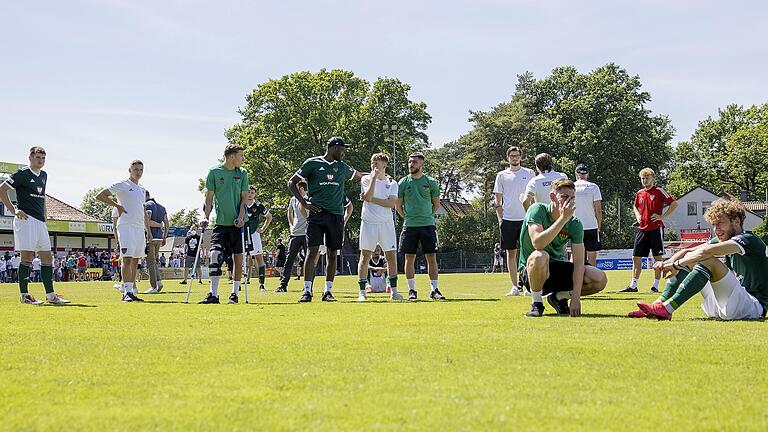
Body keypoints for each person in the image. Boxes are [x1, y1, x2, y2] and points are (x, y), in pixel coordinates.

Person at [629, 199, 767, 320]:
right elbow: (687, 251)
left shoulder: (749, 240)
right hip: (730, 303)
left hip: (752, 306)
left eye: (720, 223)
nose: (716, 229)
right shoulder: (726, 238)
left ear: (736, 221)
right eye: (713, 224)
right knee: (691, 258)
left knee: (706, 259)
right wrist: (668, 264)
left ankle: (667, 309)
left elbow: (706, 252)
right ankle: (657, 305)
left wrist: (676, 265)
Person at [287, 136, 365, 302]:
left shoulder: (342, 167)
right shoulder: (312, 163)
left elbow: (359, 175)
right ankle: (307, 291)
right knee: (312, 251)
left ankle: (328, 292)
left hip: (336, 215)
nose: (344, 152)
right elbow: (291, 183)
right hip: (317, 214)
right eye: (342, 149)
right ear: (334, 148)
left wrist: (378, 175)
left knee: (332, 253)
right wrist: (304, 203)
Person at [518, 178, 608, 317]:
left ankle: (559, 297)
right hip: (533, 271)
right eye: (564, 197)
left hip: (557, 267)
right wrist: (562, 219)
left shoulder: (575, 223)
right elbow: (538, 243)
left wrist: (576, 298)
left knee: (599, 278)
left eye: (572, 198)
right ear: (552, 197)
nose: (569, 201)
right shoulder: (537, 210)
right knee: (540, 256)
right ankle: (537, 303)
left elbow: (578, 264)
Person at [0, 146, 70, 304]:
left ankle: (51, 295)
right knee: (27, 257)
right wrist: (14, 210)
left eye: (43, 158)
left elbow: (42, 196)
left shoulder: (44, 175)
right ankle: (24, 296)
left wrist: (45, 214)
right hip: (26, 220)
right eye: (38, 157)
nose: (41, 160)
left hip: (40, 221)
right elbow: (2, 190)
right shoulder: (22, 174)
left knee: (47, 257)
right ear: (30, 158)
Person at [199, 143, 249, 304]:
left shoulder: (242, 173)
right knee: (214, 254)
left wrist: (241, 217)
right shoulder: (214, 172)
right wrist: (205, 216)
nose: (243, 158)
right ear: (232, 156)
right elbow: (209, 198)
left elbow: (244, 199)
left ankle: (234, 294)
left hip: (238, 224)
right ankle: (213, 294)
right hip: (220, 223)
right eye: (241, 155)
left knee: (237, 258)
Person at [96, 160, 152, 302]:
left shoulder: (142, 189)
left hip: (139, 228)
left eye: (140, 169)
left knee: (135, 260)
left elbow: (143, 211)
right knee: (126, 259)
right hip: (126, 226)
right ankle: (126, 292)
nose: (138, 172)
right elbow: (100, 195)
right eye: (135, 169)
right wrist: (117, 206)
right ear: (129, 170)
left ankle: (131, 291)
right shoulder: (122, 185)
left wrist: (148, 231)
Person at [619, 168, 678, 293]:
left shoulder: (659, 191)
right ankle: (633, 286)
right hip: (642, 229)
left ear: (653, 179)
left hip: (656, 229)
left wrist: (662, 216)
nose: (645, 180)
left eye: (647, 178)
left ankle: (655, 286)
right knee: (636, 257)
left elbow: (674, 204)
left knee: (657, 258)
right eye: (642, 178)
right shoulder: (640, 193)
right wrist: (638, 216)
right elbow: (635, 206)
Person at [396, 151, 445, 301]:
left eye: (414, 162)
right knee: (409, 258)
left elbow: (436, 204)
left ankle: (434, 290)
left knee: (431, 257)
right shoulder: (403, 182)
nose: (411, 164)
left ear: (422, 163)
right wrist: (408, 217)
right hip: (409, 226)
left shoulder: (430, 182)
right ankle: (411, 290)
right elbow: (398, 205)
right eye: (410, 162)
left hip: (428, 225)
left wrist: (426, 216)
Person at [357, 153, 403, 301]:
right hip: (368, 222)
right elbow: (368, 195)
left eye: (377, 164)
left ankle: (394, 292)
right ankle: (362, 293)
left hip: (386, 223)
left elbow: (390, 204)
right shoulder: (365, 179)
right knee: (364, 256)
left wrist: (371, 199)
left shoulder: (392, 183)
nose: (373, 166)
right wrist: (373, 180)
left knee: (391, 256)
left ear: (384, 165)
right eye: (372, 163)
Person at [493, 145, 535, 295]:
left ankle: (529, 285)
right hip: (508, 219)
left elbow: (534, 196)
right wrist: (500, 218)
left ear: (521, 157)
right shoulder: (502, 175)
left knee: (529, 253)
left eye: (517, 155)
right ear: (507, 158)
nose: (515, 158)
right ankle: (515, 287)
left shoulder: (529, 173)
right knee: (511, 253)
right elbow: (497, 199)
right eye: (512, 156)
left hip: (527, 218)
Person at [276, 181, 309, 292]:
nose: (297, 191)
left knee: (308, 260)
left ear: (303, 190)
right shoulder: (293, 199)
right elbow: (289, 212)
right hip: (295, 233)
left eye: (299, 189)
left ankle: (308, 286)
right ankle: (283, 285)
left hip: (306, 233)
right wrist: (291, 225)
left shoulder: (309, 199)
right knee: (289, 259)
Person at [573, 164, 603, 267]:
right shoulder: (593, 187)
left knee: (575, 257)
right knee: (592, 258)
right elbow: (598, 210)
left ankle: (574, 281)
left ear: (576, 174)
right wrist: (598, 225)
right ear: (587, 174)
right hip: (591, 226)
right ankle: (593, 281)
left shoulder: (571, 187)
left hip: (575, 226)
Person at [243, 185, 272, 292]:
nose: (250, 194)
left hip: (254, 234)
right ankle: (238, 283)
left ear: (255, 194)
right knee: (239, 257)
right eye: (248, 192)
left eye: (252, 193)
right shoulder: (241, 203)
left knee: (259, 257)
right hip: (242, 234)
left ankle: (261, 284)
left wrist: (263, 228)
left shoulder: (258, 205)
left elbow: (269, 216)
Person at [143, 190, 169, 294]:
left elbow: (147, 222)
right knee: (154, 262)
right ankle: (158, 282)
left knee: (150, 263)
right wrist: (165, 237)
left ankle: (153, 286)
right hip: (159, 238)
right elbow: (167, 223)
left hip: (151, 237)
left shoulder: (147, 205)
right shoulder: (162, 207)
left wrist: (149, 233)